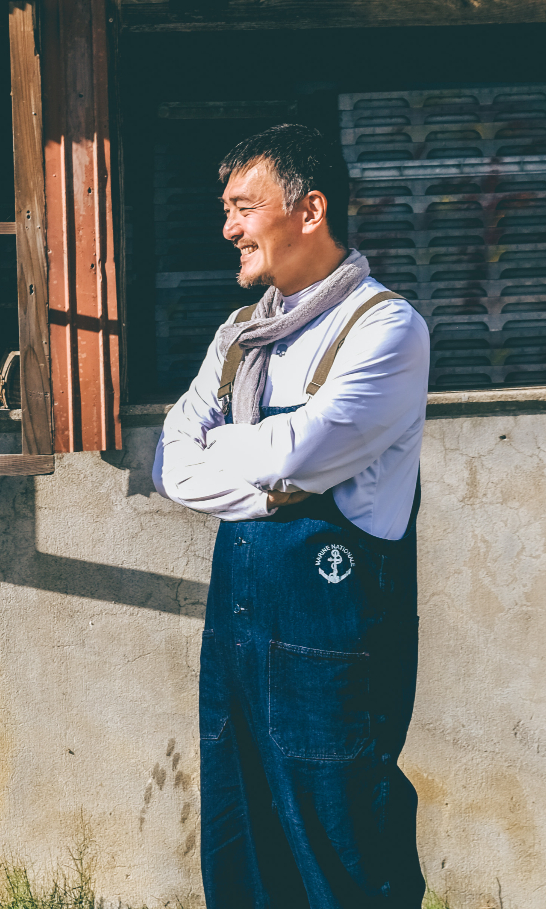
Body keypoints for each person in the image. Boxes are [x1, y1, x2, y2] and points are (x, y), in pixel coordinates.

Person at [152, 124, 430, 909]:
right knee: (243, 855)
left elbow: (300, 449)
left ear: (309, 210)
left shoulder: (384, 329)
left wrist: (256, 456)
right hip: (237, 638)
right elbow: (173, 460)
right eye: (227, 209)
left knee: (342, 858)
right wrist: (273, 483)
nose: (228, 228)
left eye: (245, 207)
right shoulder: (241, 334)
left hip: (330, 650)